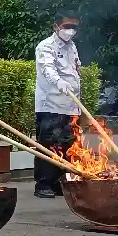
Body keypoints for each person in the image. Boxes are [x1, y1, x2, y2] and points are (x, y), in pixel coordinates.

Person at [33, 10, 82, 198]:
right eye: (67, 26)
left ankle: (60, 183)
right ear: (56, 26)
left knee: (68, 144)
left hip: (71, 104)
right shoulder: (45, 46)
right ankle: (43, 184)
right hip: (50, 103)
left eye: (74, 27)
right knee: (48, 143)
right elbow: (47, 69)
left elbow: (75, 69)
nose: (70, 31)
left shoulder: (72, 47)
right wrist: (59, 82)